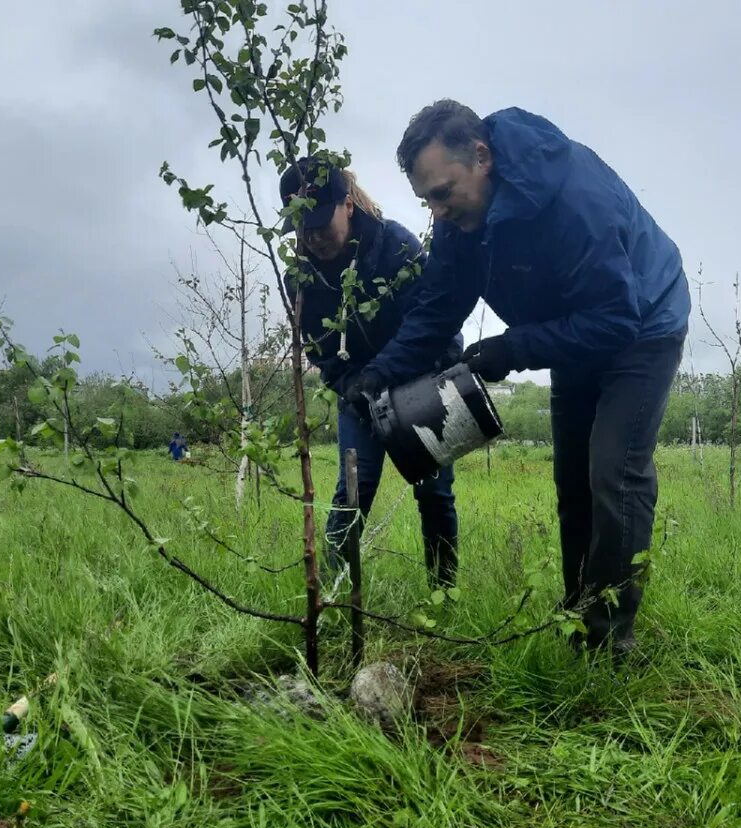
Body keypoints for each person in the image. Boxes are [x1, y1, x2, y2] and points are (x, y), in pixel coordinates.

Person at [346, 101, 691, 654]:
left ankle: (607, 643)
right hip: (576, 329)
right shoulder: (462, 223)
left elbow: (615, 318)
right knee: (571, 479)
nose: (435, 211)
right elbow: (437, 308)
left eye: (442, 191)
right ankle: (580, 612)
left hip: (642, 325)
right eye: (425, 199)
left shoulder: (575, 199)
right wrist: (378, 374)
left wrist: (515, 347)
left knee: (613, 471)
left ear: (481, 157)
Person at [280, 157, 462, 586]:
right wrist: (352, 387)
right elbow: (320, 351)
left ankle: (444, 591)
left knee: (434, 493)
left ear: (347, 204)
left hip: (420, 381)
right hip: (358, 395)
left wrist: (391, 374)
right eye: (303, 228)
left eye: (321, 223)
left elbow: (434, 323)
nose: (314, 237)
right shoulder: (300, 279)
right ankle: (328, 594)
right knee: (351, 493)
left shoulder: (395, 245)